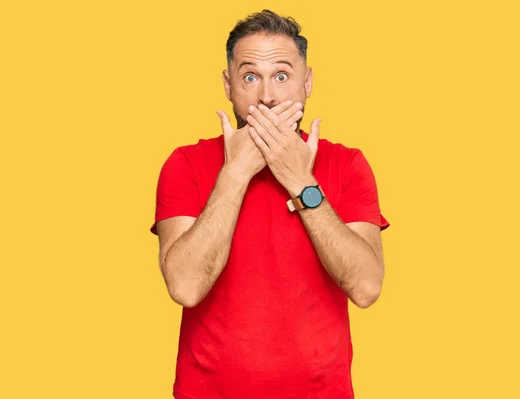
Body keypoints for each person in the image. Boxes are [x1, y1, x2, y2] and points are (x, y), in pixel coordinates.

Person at [150, 9, 390, 399]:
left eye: (282, 76)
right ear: (228, 85)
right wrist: (235, 174)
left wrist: (301, 181)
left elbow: (366, 288)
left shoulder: (347, 164)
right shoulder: (185, 164)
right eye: (250, 77)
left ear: (306, 82)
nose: (267, 96)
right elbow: (186, 286)